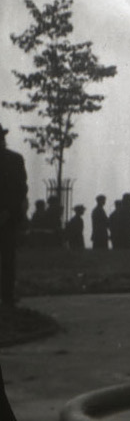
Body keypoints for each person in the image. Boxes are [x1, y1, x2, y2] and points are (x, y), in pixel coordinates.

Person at [0, 127, 28, 308]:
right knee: (7, 258)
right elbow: (21, 190)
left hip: (8, 216)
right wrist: (9, 211)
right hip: (8, 217)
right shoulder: (15, 159)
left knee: (8, 258)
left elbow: (20, 189)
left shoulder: (14, 160)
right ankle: (7, 296)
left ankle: (8, 296)